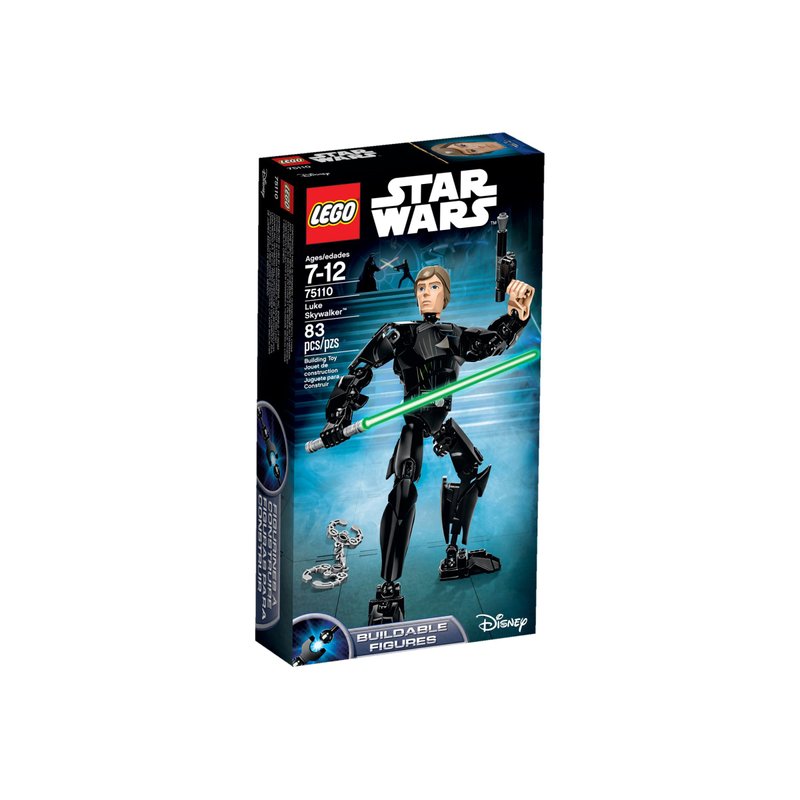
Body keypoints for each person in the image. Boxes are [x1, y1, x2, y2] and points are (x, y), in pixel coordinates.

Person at [319, 266, 534, 624]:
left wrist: (517, 314)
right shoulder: (400, 334)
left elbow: (492, 342)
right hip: (415, 424)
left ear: (445, 295)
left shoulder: (456, 335)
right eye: (420, 288)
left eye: (433, 287)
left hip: (443, 421)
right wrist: (337, 417)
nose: (425, 294)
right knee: (404, 487)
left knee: (470, 472)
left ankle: (455, 555)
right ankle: (388, 588)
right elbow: (359, 370)